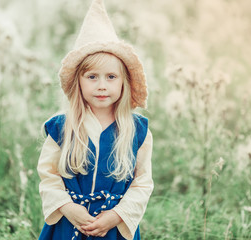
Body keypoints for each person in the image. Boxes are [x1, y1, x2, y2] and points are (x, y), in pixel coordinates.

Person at [37, 0, 153, 239]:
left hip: (113, 229)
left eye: (111, 76)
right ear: (78, 81)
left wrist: (117, 215)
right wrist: (68, 208)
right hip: (69, 225)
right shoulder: (61, 128)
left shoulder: (137, 131)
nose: (102, 86)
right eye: (92, 76)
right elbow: (49, 177)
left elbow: (142, 183)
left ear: (124, 82)